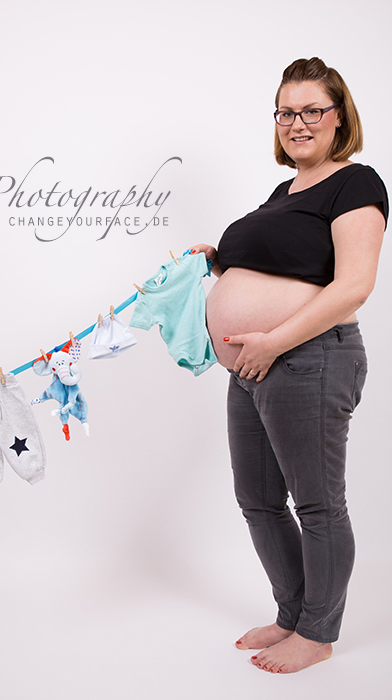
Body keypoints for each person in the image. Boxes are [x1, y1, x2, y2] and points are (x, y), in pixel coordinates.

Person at [192, 57, 388, 674]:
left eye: (312, 111)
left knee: (318, 504)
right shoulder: (284, 194)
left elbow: (354, 285)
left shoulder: (356, 184)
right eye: (286, 112)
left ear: (339, 118)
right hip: (252, 366)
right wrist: (218, 263)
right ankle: (292, 613)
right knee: (257, 499)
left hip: (309, 358)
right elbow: (281, 265)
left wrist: (273, 340)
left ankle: (318, 632)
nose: (297, 123)